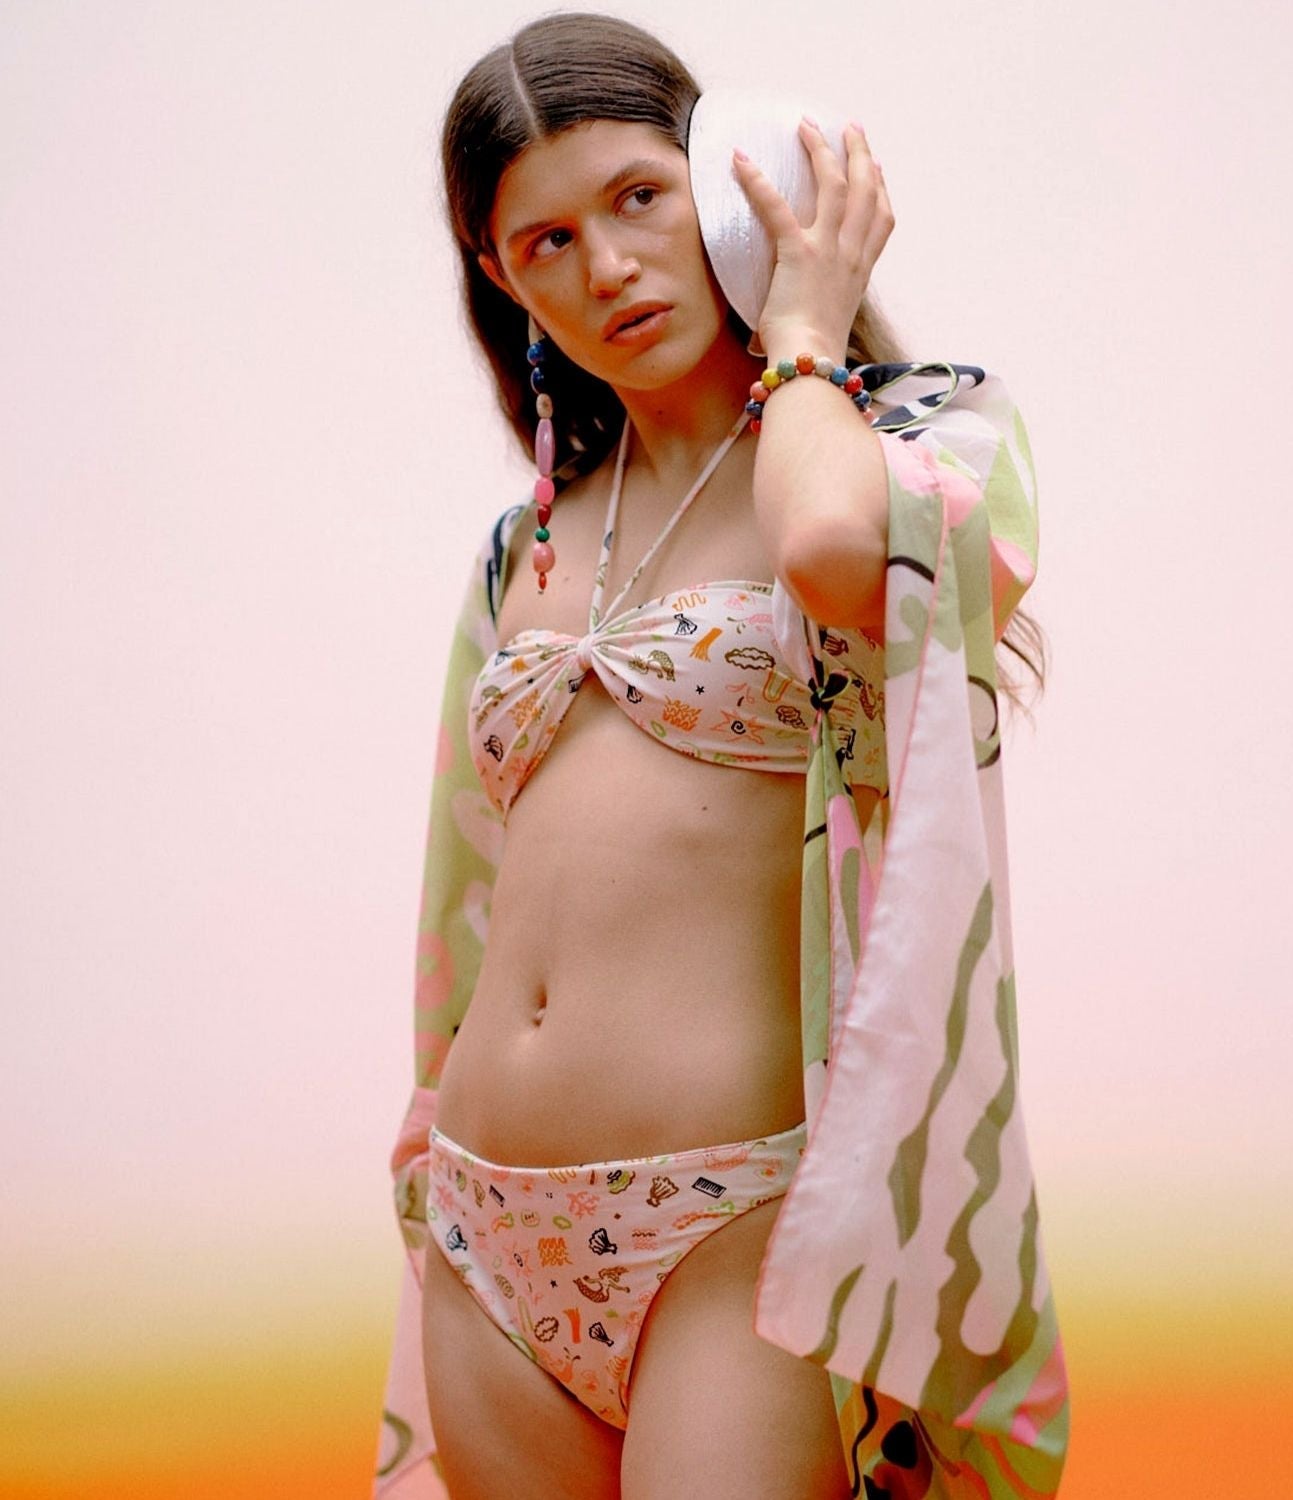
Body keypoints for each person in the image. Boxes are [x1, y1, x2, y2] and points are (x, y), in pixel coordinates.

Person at [375, 13, 1070, 1498]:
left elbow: (827, 553)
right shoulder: (524, 545)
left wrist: (807, 331)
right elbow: (468, 883)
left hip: (739, 1222)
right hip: (490, 1227)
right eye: (546, 241)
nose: (608, 267)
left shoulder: (922, 443)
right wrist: (432, 1151)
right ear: (503, 280)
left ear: (723, 178)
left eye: (638, 197)